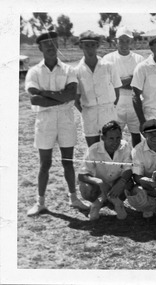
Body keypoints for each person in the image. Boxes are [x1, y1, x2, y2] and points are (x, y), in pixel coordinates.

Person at [25, 31, 89, 216]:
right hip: (44, 119)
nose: (51, 48)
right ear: (40, 48)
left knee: (67, 161)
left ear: (57, 46)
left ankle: (73, 198)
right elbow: (35, 100)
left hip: (66, 119)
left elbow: (71, 95)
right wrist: (60, 97)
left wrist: (46, 93)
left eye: (53, 44)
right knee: (44, 163)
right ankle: (40, 202)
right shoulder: (34, 71)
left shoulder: (69, 70)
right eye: (46, 45)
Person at [78, 120, 134, 221]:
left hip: (117, 184)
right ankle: (97, 203)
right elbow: (81, 175)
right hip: (100, 187)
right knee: (85, 187)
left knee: (128, 183)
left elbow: (128, 169)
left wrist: (121, 183)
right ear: (103, 138)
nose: (115, 142)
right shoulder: (93, 150)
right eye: (111, 138)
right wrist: (99, 182)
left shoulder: (125, 146)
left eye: (118, 138)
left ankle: (117, 202)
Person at [74, 30, 122, 147]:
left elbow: (117, 90)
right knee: (93, 149)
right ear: (81, 46)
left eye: (93, 45)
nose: (90, 48)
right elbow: (76, 99)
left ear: (97, 46)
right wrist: (87, 110)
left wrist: (110, 106)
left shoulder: (108, 66)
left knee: (111, 146)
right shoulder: (76, 71)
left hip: (108, 111)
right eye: (86, 45)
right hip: (89, 113)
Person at [103, 27, 145, 147]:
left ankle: (135, 161)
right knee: (113, 135)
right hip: (116, 102)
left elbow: (140, 83)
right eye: (121, 40)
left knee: (136, 134)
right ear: (116, 41)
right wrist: (131, 79)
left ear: (131, 42)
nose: (124, 44)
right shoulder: (108, 59)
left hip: (134, 102)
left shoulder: (139, 59)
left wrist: (118, 82)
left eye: (127, 41)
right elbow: (107, 83)